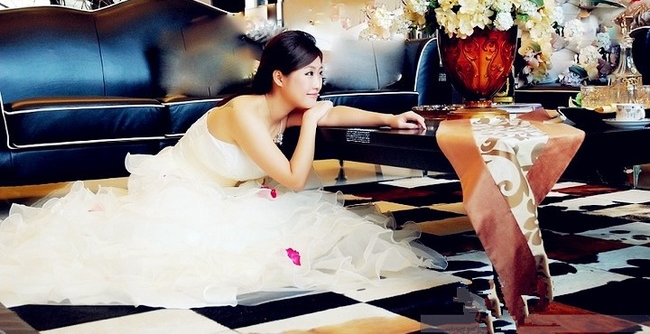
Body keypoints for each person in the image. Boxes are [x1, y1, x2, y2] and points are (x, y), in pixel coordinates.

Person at [0, 30, 446, 309]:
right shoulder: (244, 113)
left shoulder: (283, 108)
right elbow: (294, 177)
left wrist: (391, 118)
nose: (318, 83)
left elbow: (335, 111)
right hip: (181, 189)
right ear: (279, 77)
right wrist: (311, 121)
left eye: (319, 73)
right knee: (175, 257)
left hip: (229, 192)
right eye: (308, 74)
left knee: (312, 233)